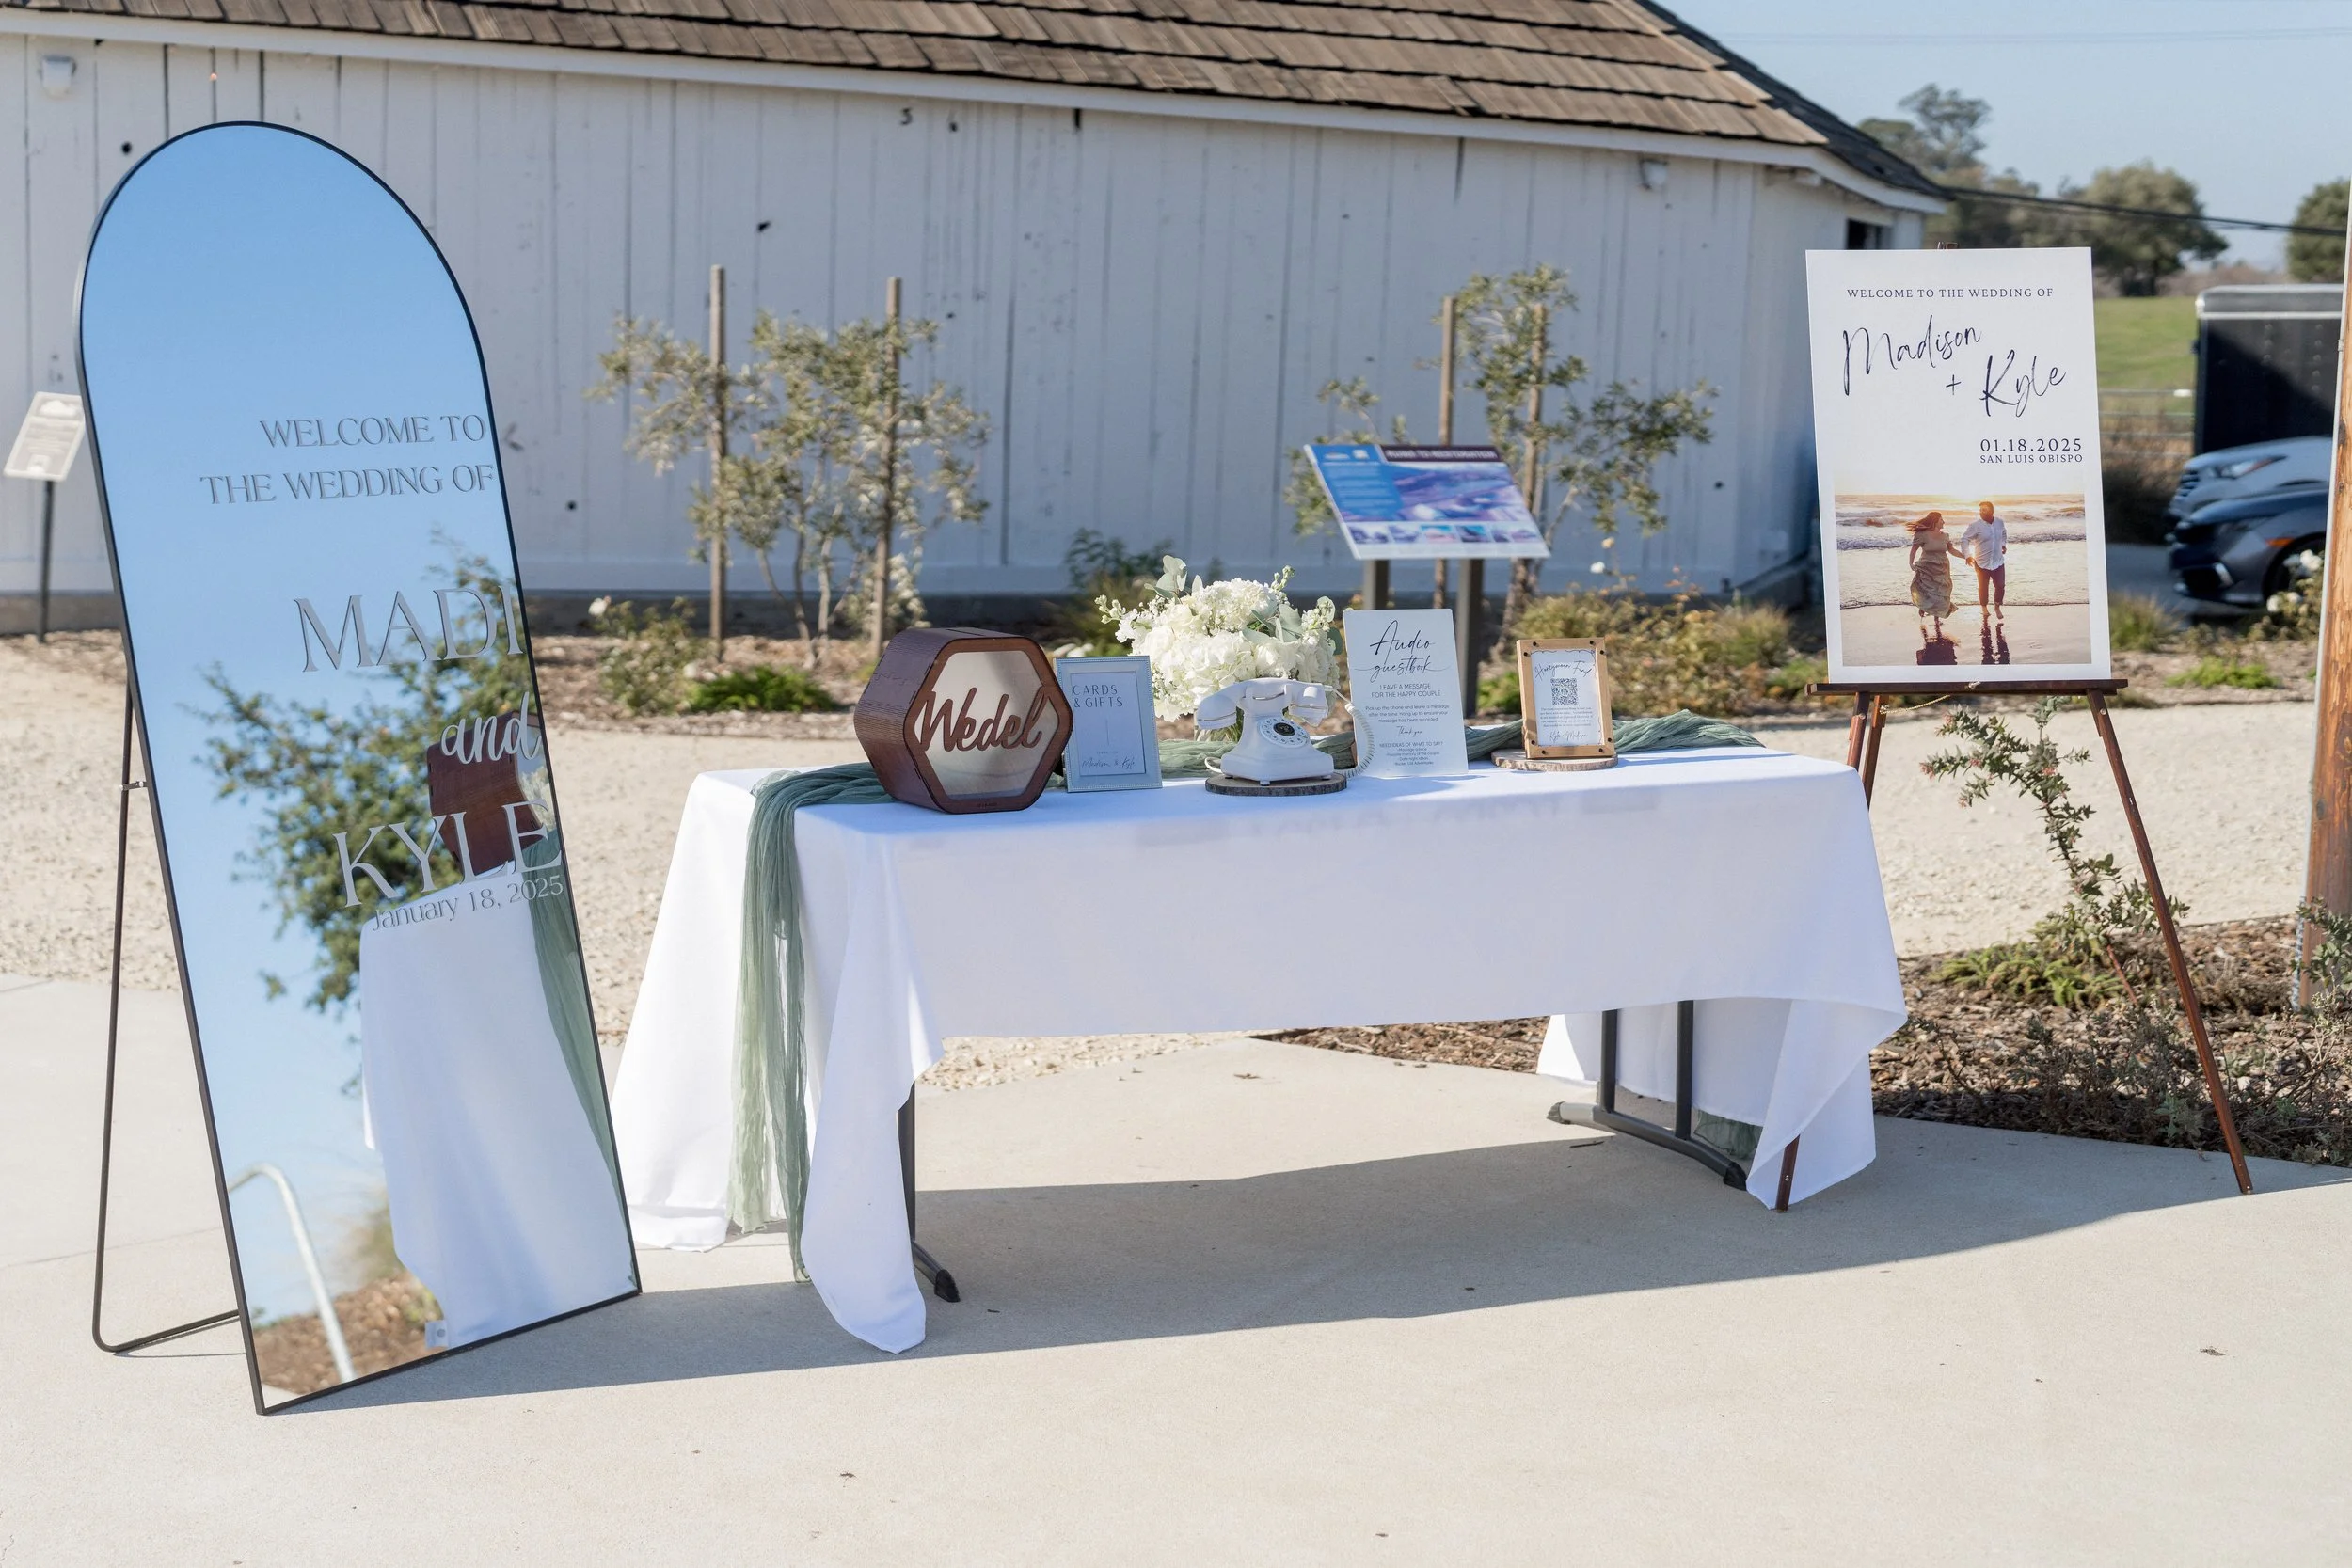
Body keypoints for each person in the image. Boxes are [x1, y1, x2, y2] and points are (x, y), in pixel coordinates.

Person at [1906, 511, 1956, 639]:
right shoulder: (1922, 535)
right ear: (1935, 521)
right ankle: (1931, 614)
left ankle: (1935, 617)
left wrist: (1967, 557)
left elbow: (1952, 550)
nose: (1943, 522)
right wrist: (1911, 563)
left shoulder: (1945, 536)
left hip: (1943, 569)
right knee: (1928, 591)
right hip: (1927, 567)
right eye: (1941, 519)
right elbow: (1913, 550)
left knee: (1941, 593)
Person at [1957, 499, 2008, 620]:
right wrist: (1967, 555)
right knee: (1983, 587)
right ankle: (1984, 608)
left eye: (1984, 510)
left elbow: (2004, 533)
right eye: (1980, 510)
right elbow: (1965, 539)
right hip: (1981, 562)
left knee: (2000, 585)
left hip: (1998, 561)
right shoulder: (1975, 526)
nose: (1981, 512)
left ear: (1991, 511)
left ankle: (1997, 607)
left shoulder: (1999, 522)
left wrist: (2003, 544)